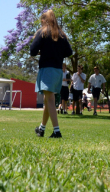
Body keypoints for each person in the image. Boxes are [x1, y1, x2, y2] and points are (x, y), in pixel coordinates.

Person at [30, 9, 73, 138]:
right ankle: (42, 128)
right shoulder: (62, 34)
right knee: (47, 99)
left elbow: (32, 50)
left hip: (47, 69)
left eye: (41, 21)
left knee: (50, 99)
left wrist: (43, 52)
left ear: (44, 20)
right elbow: (69, 52)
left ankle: (56, 131)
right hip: (58, 70)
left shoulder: (42, 33)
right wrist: (57, 54)